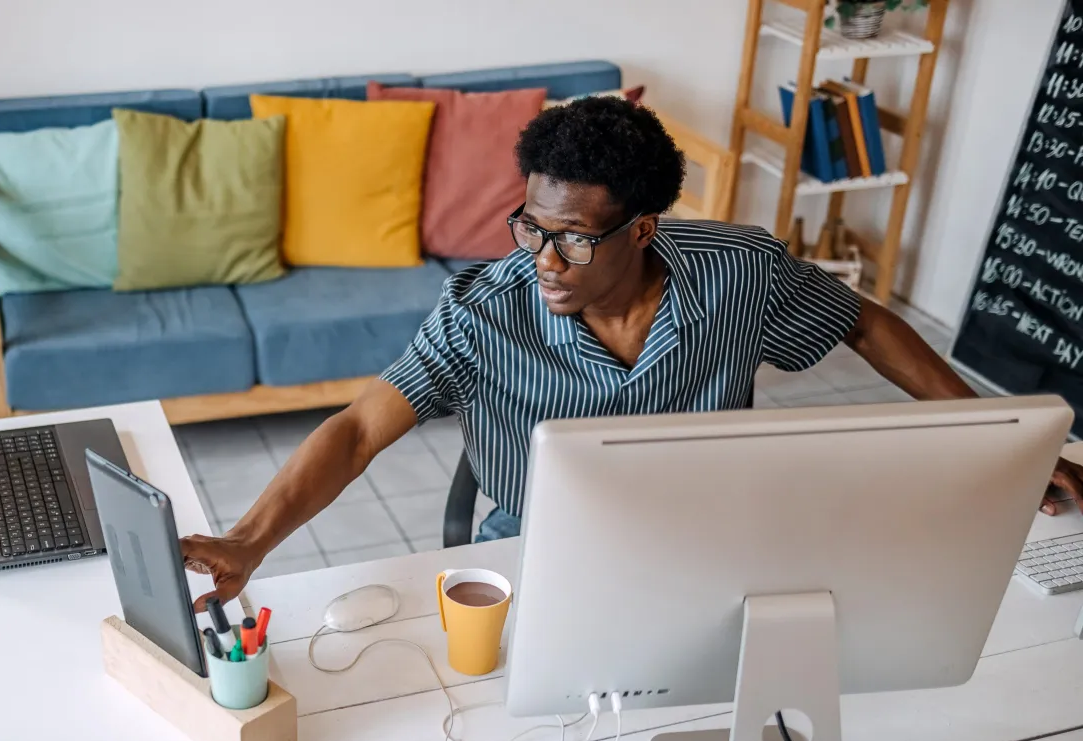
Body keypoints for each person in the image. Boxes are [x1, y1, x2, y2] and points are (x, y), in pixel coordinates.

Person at [181, 96, 1083, 609]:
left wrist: (1002, 435)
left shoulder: (739, 275)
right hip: (539, 546)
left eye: (571, 237)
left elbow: (864, 322)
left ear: (643, 229)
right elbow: (358, 429)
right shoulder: (484, 312)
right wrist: (251, 541)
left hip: (717, 533)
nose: (542, 259)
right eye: (528, 226)